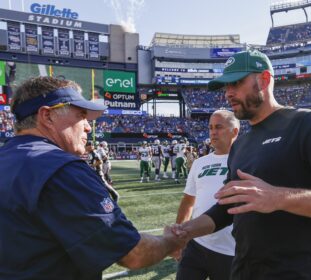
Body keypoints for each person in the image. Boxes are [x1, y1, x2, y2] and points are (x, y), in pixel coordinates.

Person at [172, 50, 311, 280]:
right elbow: (227, 207)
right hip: (244, 271)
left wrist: (278, 198)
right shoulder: (241, 143)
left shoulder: (307, 125)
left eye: (236, 83)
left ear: (264, 80)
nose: (228, 93)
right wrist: (186, 230)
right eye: (225, 87)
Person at [0, 76, 185, 280]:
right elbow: (134, 254)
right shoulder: (61, 168)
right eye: (81, 116)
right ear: (47, 116)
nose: (88, 127)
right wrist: (171, 242)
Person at [175, 109, 239, 280]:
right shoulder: (199, 163)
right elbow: (188, 201)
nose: (213, 132)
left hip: (231, 250)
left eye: (219, 127)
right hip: (196, 244)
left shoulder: (246, 160)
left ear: (235, 131)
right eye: (210, 127)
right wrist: (178, 238)